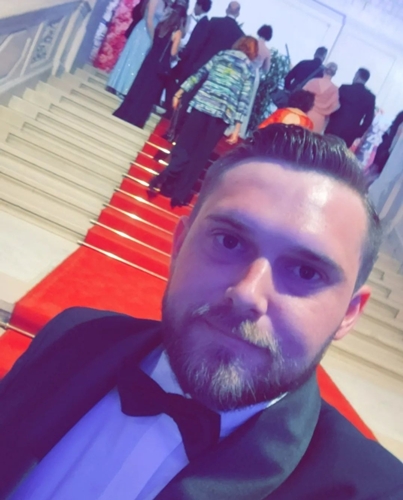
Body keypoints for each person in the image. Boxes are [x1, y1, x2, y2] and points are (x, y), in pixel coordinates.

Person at [2, 125, 403, 500]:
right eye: (229, 241)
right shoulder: (74, 336)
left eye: (306, 272)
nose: (246, 293)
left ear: (349, 313)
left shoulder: (374, 491)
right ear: (179, 246)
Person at [149, 36, 257, 208]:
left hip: (201, 105)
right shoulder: (249, 69)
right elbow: (243, 99)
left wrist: (180, 91)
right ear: (253, 52)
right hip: (221, 114)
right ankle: (180, 195)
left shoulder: (221, 55)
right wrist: (237, 127)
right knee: (200, 155)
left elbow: (199, 74)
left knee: (185, 146)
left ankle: (168, 179)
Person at [113, 3, 188, 128]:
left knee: (138, 86)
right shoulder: (177, 32)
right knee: (148, 92)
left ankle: (126, 111)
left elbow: (155, 41)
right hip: (160, 65)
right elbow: (172, 52)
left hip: (149, 60)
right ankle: (136, 117)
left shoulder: (161, 25)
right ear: (181, 18)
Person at [107, 0, 168, 98]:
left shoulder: (164, 3)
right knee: (135, 59)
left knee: (139, 60)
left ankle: (126, 89)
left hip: (149, 32)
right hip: (144, 32)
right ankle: (122, 88)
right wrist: (153, 38)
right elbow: (149, 19)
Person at [326, 68, 376, 148]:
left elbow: (333, 105)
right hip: (350, 133)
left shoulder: (345, 88)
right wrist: (359, 132)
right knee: (339, 154)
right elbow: (369, 119)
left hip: (334, 126)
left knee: (325, 149)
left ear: (357, 75)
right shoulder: (370, 97)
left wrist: (330, 119)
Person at [238, 24, 272, 137]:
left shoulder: (250, 42)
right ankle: (239, 128)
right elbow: (266, 70)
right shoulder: (267, 51)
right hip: (254, 74)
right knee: (246, 101)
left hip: (242, 69)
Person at [303, 62, 340, 134]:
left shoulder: (313, 81)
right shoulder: (335, 90)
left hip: (306, 113)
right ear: (334, 74)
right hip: (320, 120)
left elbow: (301, 95)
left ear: (324, 70)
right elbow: (335, 106)